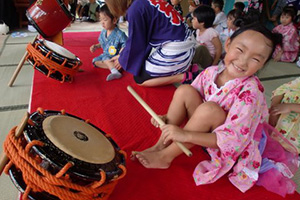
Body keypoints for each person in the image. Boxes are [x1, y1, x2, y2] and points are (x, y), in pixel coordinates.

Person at [132, 23, 299, 197]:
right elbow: (189, 101)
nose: (243, 61)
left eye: (255, 59)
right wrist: (166, 117)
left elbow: (235, 141)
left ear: (263, 65)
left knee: (210, 109)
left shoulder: (251, 94)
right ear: (228, 44)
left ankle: (166, 156)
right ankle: (160, 145)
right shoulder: (210, 72)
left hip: (223, 143)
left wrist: (185, 135)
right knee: (185, 90)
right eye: (240, 50)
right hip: (205, 128)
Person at [106, 0, 196, 87]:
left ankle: (183, 76)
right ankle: (187, 67)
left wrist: (123, 59)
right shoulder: (142, 2)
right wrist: (124, 54)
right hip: (188, 42)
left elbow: (136, 43)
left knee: (140, 79)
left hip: (178, 51)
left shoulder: (134, 9)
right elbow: (142, 38)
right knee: (141, 64)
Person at [90, 4, 128, 81]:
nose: (102, 22)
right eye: (101, 19)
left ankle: (114, 71)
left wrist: (120, 55)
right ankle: (114, 66)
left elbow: (126, 45)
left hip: (114, 57)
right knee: (94, 61)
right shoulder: (103, 32)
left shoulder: (120, 34)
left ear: (114, 20)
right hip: (105, 55)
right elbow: (103, 43)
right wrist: (96, 46)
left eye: (105, 20)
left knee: (106, 59)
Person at [269, 77, 300, 153]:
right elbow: (281, 90)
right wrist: (274, 109)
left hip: (295, 145)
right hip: (277, 133)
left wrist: (290, 107)